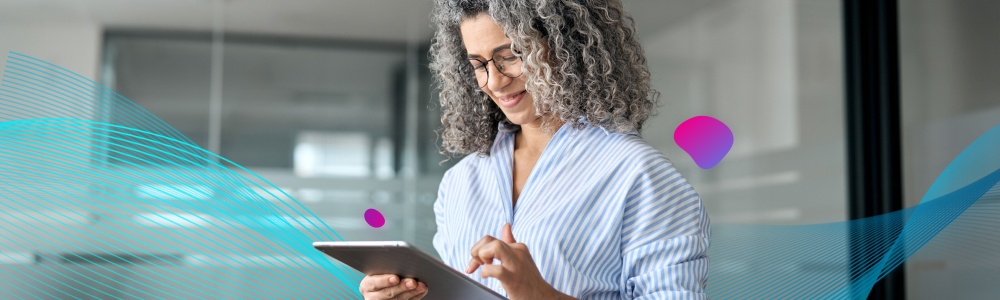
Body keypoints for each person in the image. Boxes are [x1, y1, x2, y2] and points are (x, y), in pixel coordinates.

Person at [359, 0, 710, 299]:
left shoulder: (640, 174)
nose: (494, 81)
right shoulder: (460, 182)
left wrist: (542, 295)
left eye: (511, 55)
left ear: (566, 46)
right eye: (478, 65)